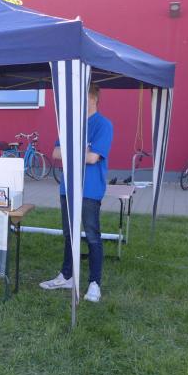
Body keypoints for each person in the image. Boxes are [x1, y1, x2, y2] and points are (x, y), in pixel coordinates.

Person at [39, 84, 113, 303]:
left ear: (93, 98)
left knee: (92, 236)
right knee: (69, 234)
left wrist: (71, 151)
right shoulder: (70, 124)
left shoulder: (103, 124)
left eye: (83, 97)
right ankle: (67, 276)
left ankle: (94, 283)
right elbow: (55, 153)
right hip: (68, 187)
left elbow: (93, 158)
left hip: (90, 189)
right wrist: (82, 151)